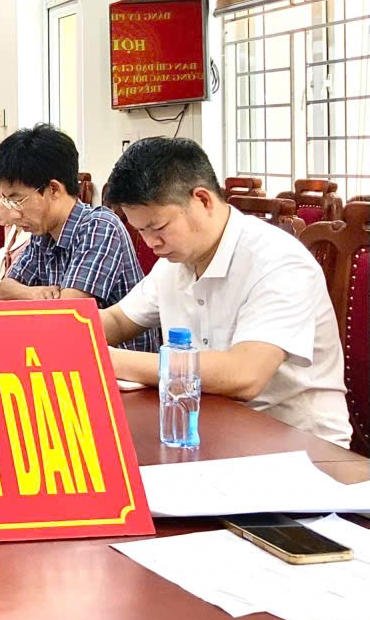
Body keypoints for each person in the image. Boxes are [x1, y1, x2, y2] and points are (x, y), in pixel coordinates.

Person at [98, 137, 352, 447]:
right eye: (141, 230)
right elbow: (117, 320)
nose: (151, 243)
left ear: (202, 200)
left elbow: (244, 374)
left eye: (158, 227)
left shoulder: (279, 261)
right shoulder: (176, 262)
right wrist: (56, 332)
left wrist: (108, 360)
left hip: (299, 447)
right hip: (211, 432)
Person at [0, 124, 156, 352]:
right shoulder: (42, 232)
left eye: (17, 201)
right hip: (66, 351)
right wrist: (35, 294)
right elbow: (6, 289)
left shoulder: (99, 227)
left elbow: (68, 315)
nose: (14, 214)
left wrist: (36, 297)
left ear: (54, 189)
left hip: (122, 365)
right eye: (8, 201)